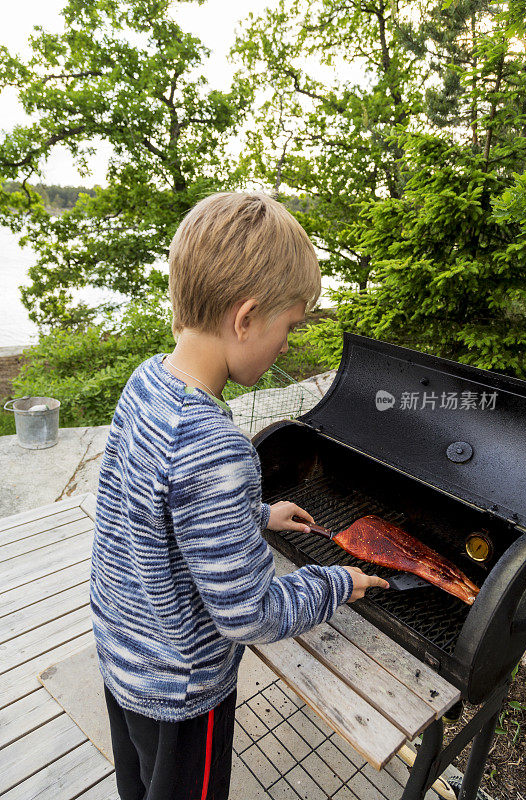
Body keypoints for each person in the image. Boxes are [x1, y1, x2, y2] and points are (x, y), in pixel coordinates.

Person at [90, 191, 389, 800]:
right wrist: (337, 584)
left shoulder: (146, 381)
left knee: (140, 786)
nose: (286, 344)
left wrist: (257, 515)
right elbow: (248, 614)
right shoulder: (220, 447)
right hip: (183, 690)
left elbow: (156, 506)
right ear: (246, 317)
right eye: (289, 327)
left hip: (123, 654)